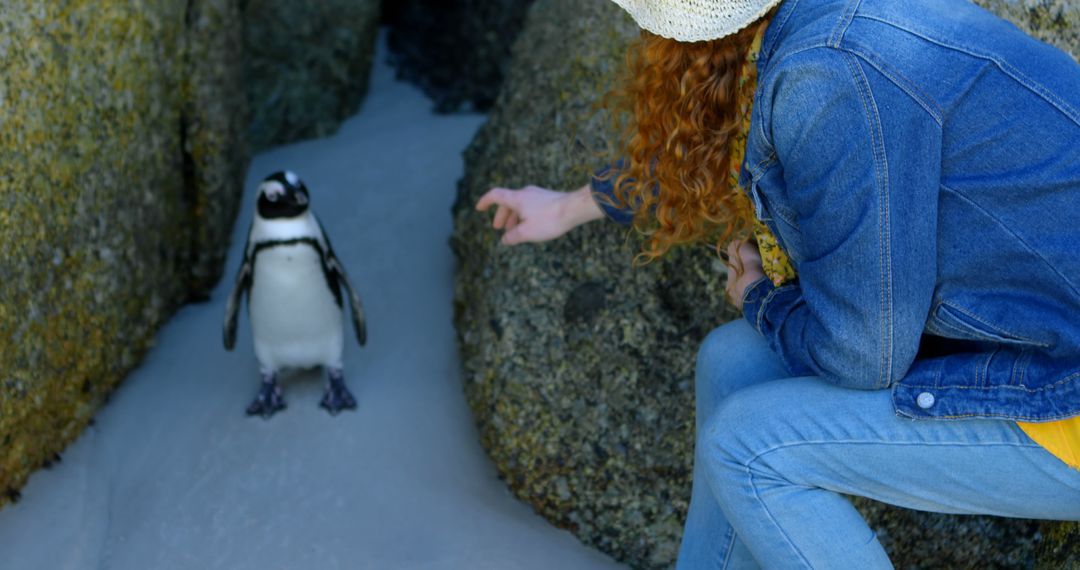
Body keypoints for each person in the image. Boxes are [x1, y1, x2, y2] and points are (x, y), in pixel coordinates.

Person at [476, 0, 1080, 567]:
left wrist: (762, 300)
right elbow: (713, 146)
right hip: (1048, 336)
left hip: (1067, 393)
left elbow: (864, 354)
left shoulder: (824, 75)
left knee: (745, 449)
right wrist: (573, 204)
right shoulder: (823, 26)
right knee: (731, 359)